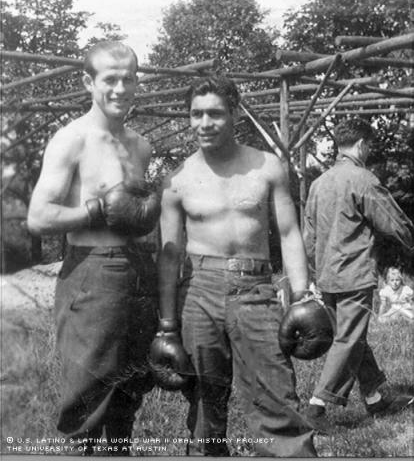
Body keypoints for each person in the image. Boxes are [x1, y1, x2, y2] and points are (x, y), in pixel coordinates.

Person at [156, 76, 316, 457]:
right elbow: (169, 256)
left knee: (275, 396)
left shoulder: (266, 166)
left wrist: (302, 296)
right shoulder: (177, 180)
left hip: (256, 290)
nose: (204, 123)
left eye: (214, 113)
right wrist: (166, 326)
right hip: (198, 291)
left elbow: (291, 233)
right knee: (204, 405)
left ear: (235, 113)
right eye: (196, 114)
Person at [27, 41, 160, 455]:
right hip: (91, 270)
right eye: (110, 79)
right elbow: (39, 217)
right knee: (88, 388)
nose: (120, 88)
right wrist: (96, 210)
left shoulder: (141, 145)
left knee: (129, 385)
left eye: (128, 79)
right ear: (89, 82)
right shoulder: (72, 140)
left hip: (139, 268)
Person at [303, 117, 414, 433]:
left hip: (326, 276)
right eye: (369, 146)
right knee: (349, 339)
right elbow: (395, 222)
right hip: (354, 274)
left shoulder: (317, 184)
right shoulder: (363, 179)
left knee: (352, 337)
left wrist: (314, 272)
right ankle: (317, 407)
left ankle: (376, 397)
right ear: (363, 144)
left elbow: (308, 236)